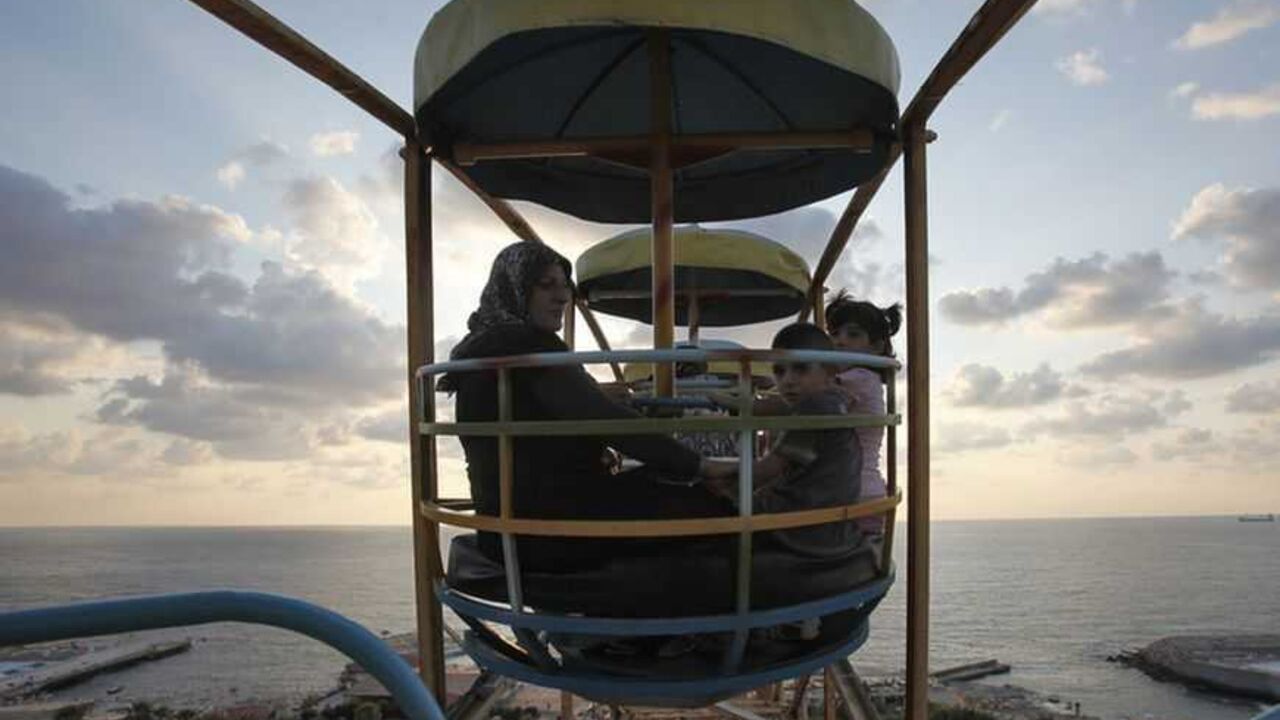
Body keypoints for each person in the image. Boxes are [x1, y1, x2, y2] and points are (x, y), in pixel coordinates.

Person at [438, 242, 733, 573]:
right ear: (515, 288)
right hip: (553, 532)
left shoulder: (482, 349)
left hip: (505, 528)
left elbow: (547, 407)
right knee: (712, 504)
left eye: (565, 286)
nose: (563, 297)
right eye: (546, 285)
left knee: (662, 479)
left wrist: (595, 395)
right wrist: (700, 465)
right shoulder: (528, 347)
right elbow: (609, 422)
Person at [706, 322, 864, 561]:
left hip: (801, 528)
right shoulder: (833, 401)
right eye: (779, 372)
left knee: (698, 512)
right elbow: (771, 409)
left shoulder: (815, 408)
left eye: (800, 369)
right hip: (827, 523)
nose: (788, 381)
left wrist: (713, 476)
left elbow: (767, 471)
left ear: (830, 371)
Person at [824, 291, 902, 538]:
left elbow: (807, 393)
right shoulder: (864, 381)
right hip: (862, 491)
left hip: (853, 494)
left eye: (853, 334)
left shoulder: (857, 379)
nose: (840, 341)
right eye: (834, 334)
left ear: (876, 347)